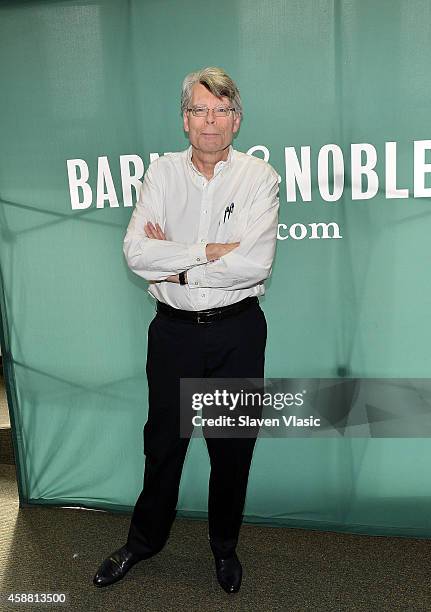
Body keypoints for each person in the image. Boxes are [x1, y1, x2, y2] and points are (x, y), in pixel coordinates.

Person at [93, 66, 279, 594]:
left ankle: (224, 548)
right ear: (185, 119)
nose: (211, 122)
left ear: (237, 120)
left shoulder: (259, 178)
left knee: (230, 448)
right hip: (173, 335)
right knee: (163, 445)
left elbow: (253, 265)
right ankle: (143, 542)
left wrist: (170, 259)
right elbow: (135, 252)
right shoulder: (162, 174)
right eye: (200, 110)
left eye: (222, 110)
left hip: (236, 333)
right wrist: (203, 253)